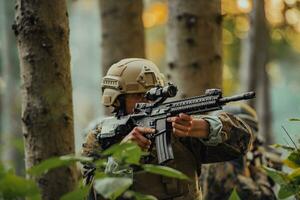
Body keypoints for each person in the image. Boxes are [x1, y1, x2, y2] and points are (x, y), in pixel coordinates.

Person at [81, 58, 252, 200]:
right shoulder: (101, 138)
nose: (148, 102)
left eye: (152, 94)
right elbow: (93, 195)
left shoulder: (180, 128)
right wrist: (121, 158)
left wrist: (207, 128)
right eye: (139, 96)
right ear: (117, 99)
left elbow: (243, 141)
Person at [200, 104, 278, 200]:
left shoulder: (202, 156)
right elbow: (265, 198)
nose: (251, 145)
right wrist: (260, 174)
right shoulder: (224, 165)